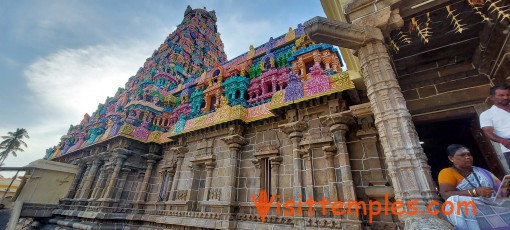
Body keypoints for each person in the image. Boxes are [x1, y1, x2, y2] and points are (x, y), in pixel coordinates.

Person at [438, 144, 510, 229]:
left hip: (494, 205)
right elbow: (445, 194)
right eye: (462, 155)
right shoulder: (447, 172)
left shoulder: (482, 172)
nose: (468, 157)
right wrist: (475, 192)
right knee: (454, 201)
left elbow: (501, 189)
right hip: (473, 209)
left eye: (469, 154)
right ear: (451, 158)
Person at [480, 85, 510, 166]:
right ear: (492, 97)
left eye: (508, 95)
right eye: (501, 95)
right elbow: (488, 132)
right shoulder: (487, 114)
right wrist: (503, 141)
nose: (506, 97)